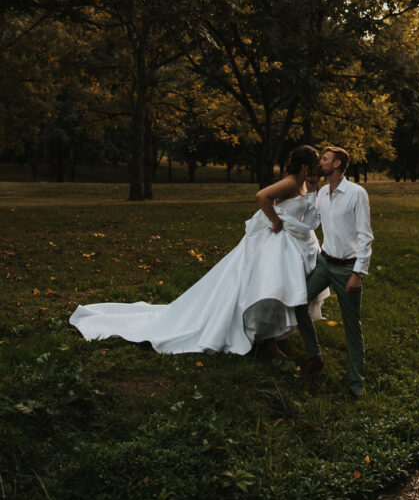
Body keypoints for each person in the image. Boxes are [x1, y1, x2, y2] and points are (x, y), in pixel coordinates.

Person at [69, 146, 329, 355]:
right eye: (316, 160)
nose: (318, 165)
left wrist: (313, 186)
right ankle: (262, 337)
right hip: (273, 243)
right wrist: (275, 221)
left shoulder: (304, 183)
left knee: (277, 287)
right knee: (264, 286)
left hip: (290, 244)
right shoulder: (291, 182)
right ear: (304, 164)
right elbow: (262, 196)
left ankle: (269, 335)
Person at [295, 146, 373, 399]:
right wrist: (306, 193)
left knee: (352, 327)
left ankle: (356, 384)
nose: (320, 163)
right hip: (324, 263)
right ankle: (315, 356)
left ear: (337, 164)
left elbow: (365, 235)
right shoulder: (321, 193)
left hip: (347, 268)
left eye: (325, 160)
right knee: (299, 302)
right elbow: (311, 223)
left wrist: (357, 273)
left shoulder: (356, 193)